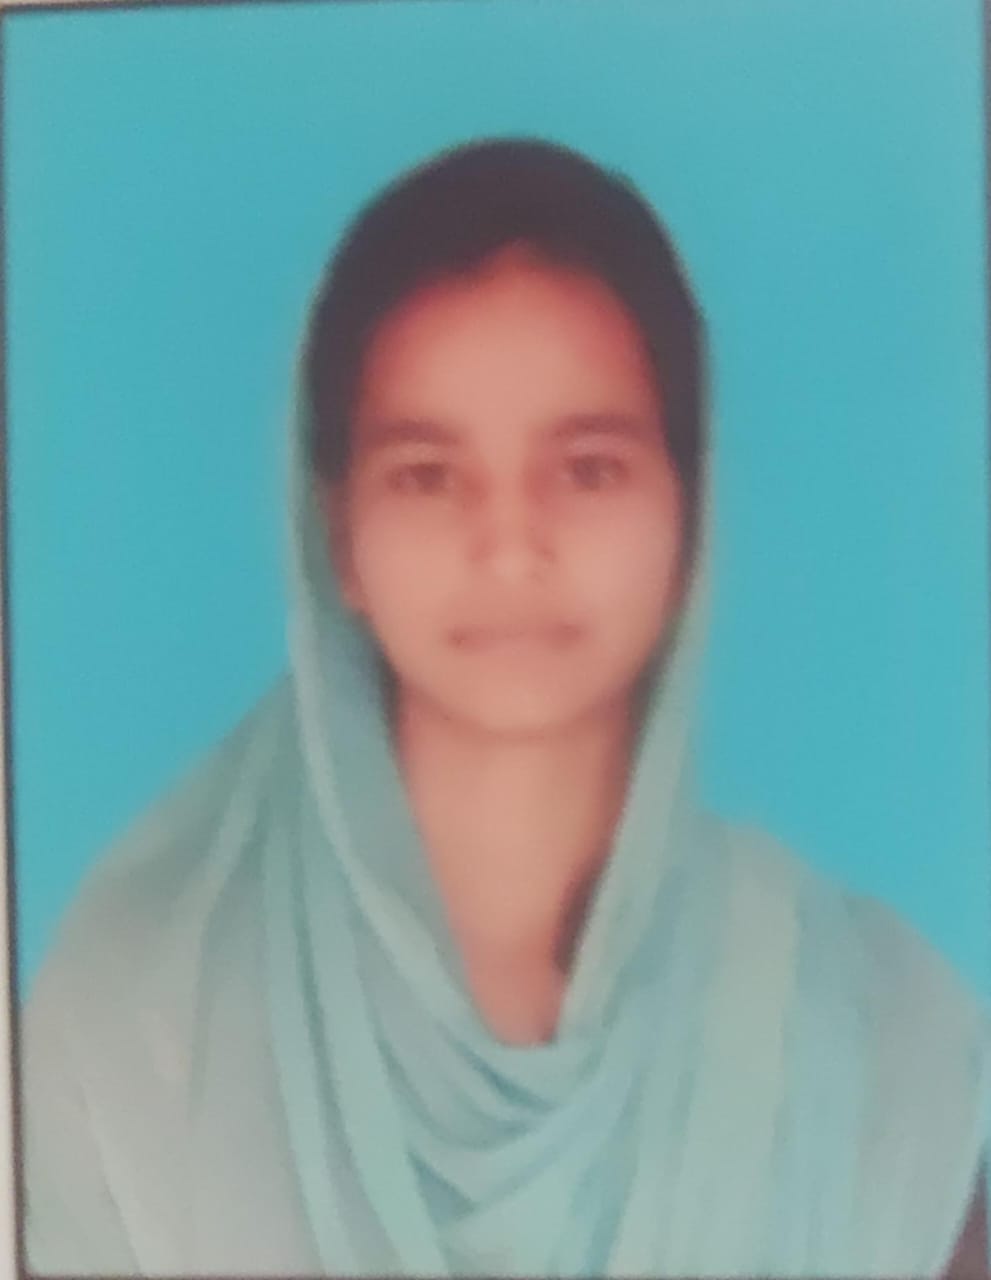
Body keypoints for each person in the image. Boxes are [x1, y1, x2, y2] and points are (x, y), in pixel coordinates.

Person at [19, 137, 991, 1277]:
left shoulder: (874, 1037)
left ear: (691, 510)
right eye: (428, 475)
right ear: (336, 533)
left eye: (587, 467)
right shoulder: (138, 1024)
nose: (511, 545)